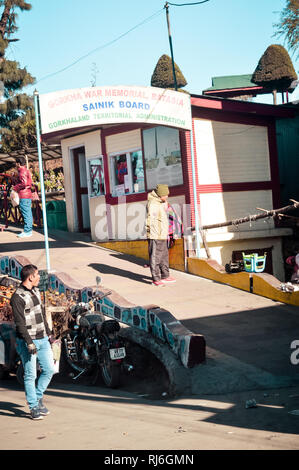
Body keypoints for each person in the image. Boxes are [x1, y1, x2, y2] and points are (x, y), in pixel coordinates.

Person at [10, 264, 54, 420]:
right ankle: (33, 406)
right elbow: (20, 323)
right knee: (30, 375)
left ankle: (37, 396)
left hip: (43, 338)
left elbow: (40, 314)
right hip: (28, 341)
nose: (39, 277)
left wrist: (49, 333)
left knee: (49, 370)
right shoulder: (17, 297)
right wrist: (29, 342)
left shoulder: (35, 290)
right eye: (37, 275)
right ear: (30, 277)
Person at [146, 184, 176, 287]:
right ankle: (156, 278)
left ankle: (165, 275)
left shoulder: (160, 203)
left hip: (162, 234)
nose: (167, 196)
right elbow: (151, 220)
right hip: (156, 234)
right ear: (160, 195)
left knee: (164, 256)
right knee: (155, 257)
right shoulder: (153, 204)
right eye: (166, 195)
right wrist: (154, 234)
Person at [13, 156, 33, 238]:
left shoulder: (22, 172)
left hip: (23, 195)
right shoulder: (26, 170)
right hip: (28, 194)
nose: (15, 164)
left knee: (26, 213)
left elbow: (24, 183)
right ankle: (29, 230)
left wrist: (15, 188)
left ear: (18, 163)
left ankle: (27, 231)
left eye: (16, 163)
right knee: (28, 213)